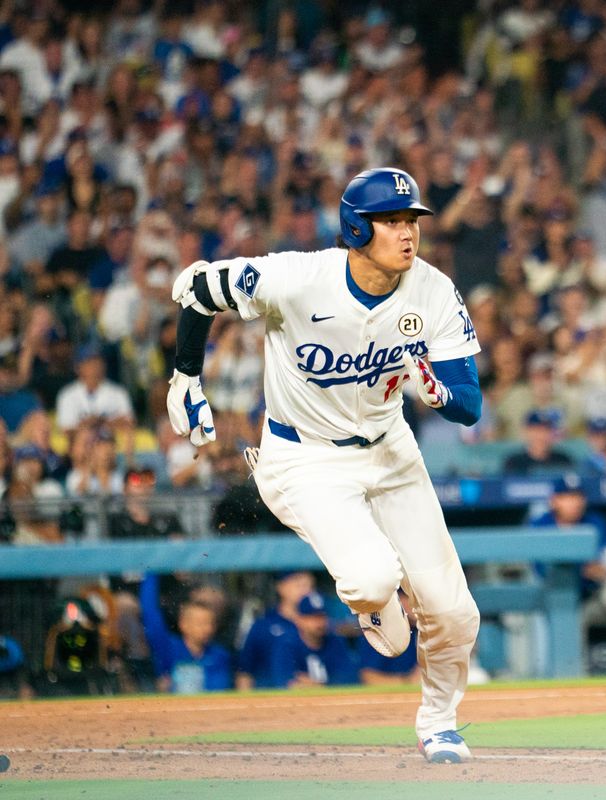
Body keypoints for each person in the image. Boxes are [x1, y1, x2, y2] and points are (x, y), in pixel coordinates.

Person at [166, 168, 482, 763]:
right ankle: (378, 600)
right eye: (392, 221)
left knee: (455, 612)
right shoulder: (298, 277)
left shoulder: (433, 289)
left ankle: (439, 722)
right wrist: (186, 374)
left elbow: (470, 402)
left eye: (412, 220)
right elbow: (198, 287)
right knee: (369, 580)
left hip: (391, 451)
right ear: (356, 227)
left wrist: (440, 395)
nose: (408, 232)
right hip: (305, 457)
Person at [530, 473, 606, 673]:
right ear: (554, 500)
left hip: (592, 599)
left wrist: (577, 570)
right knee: (563, 612)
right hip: (558, 604)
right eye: (567, 497)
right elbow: (543, 571)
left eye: (578, 496)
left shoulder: (595, 521)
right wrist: (581, 570)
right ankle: (574, 674)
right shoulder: (540, 524)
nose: (574, 502)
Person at [138, 572, 233, 693]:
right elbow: (150, 615)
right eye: (200, 623)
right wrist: (152, 572)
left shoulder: (220, 655)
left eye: (210, 623)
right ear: (183, 624)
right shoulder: (168, 648)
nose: (206, 629)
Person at [235, 570, 313, 690]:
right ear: (281, 587)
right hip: (267, 697)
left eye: (308, 586)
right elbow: (245, 671)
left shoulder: (319, 625)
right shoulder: (263, 625)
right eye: (298, 585)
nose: (304, 591)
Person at [284, 592, 361, 688]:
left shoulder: (335, 641)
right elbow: (285, 684)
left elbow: (349, 680)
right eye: (312, 617)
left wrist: (318, 686)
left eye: (322, 616)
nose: (319, 623)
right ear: (299, 619)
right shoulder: (287, 643)